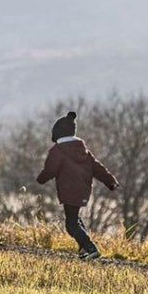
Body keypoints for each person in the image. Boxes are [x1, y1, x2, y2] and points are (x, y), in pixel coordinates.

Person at [37, 110, 119, 260]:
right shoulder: (84, 151)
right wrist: (110, 181)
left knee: (71, 224)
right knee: (75, 218)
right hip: (83, 189)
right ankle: (83, 248)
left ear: (57, 134)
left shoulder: (58, 151)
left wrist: (41, 179)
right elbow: (97, 168)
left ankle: (90, 248)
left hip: (69, 190)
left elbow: (50, 169)